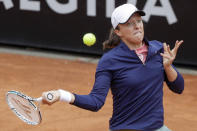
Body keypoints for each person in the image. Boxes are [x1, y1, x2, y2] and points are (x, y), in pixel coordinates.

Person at [41, 3, 184, 131]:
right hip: (127, 128)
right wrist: (62, 95)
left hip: (157, 128)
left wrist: (168, 67)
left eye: (139, 21)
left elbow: (179, 88)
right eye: (129, 23)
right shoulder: (110, 61)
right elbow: (95, 102)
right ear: (118, 31)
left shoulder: (158, 48)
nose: (137, 26)